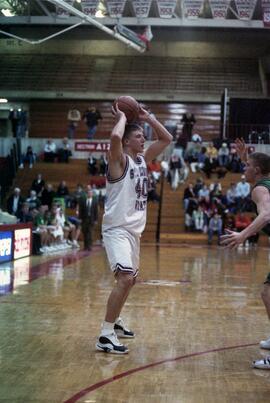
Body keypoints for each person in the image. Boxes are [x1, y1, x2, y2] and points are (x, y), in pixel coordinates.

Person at [96, 103, 172, 354]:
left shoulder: (142, 159)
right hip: (117, 228)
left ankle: (115, 321)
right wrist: (121, 116)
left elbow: (166, 138)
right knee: (126, 278)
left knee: (130, 280)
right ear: (128, 142)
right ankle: (105, 335)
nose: (144, 139)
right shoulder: (118, 161)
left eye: (143, 136)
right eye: (138, 136)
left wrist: (146, 118)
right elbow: (116, 136)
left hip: (133, 232)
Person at [221, 138, 270, 369]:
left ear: (257, 170)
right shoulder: (266, 180)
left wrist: (242, 235)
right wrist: (244, 156)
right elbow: (259, 169)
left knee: (268, 294)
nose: (243, 168)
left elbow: (267, 215)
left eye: (246, 165)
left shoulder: (259, 189)